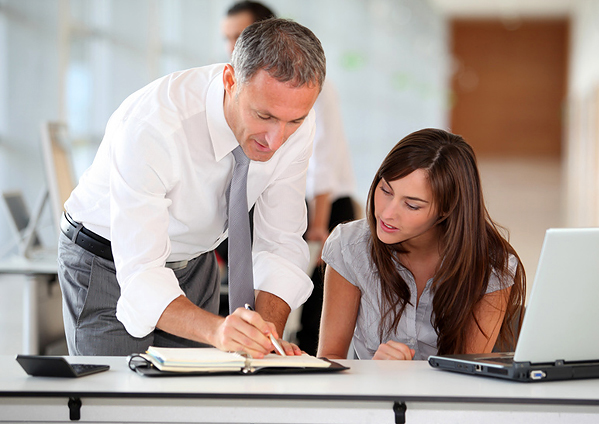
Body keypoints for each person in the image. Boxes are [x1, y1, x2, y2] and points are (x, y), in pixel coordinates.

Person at [58, 18, 326, 358]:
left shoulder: (294, 116)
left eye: (294, 121)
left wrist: (262, 337)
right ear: (230, 81)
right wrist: (216, 330)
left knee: (199, 389)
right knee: (120, 390)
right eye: (264, 116)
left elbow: (281, 241)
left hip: (195, 261)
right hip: (108, 261)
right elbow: (141, 273)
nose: (276, 140)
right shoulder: (154, 125)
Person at [317, 128, 526, 360]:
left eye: (412, 205)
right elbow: (330, 359)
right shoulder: (349, 246)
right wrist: (373, 373)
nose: (387, 214)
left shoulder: (492, 265)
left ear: (446, 209)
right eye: (386, 190)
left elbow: (467, 373)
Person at [221, 1, 358, 354]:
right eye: (228, 38)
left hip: (325, 204)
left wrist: (320, 224)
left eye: (239, 36)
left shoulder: (306, 84)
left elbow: (324, 157)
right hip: (298, 200)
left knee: (317, 313)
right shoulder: (249, 86)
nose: (232, 46)